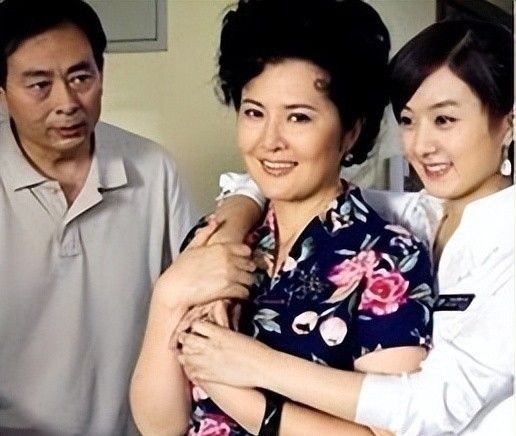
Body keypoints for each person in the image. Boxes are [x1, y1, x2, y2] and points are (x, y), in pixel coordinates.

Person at [130, 1, 434, 435]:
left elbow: (389, 431)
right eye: (254, 112)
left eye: (298, 117)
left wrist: (233, 387)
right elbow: (160, 425)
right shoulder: (219, 237)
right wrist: (168, 296)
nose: (270, 140)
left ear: (350, 131)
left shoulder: (388, 256)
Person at [205, 18, 515, 435]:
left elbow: (434, 406)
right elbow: (278, 181)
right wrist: (227, 234)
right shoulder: (417, 212)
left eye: (444, 120)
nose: (422, 146)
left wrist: (254, 367)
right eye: (408, 120)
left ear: (509, 122)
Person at [0, 0, 254, 434]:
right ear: (3, 92)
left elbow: (198, 301)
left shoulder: (152, 170)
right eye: (39, 85)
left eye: (81, 78)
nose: (67, 102)